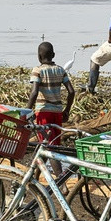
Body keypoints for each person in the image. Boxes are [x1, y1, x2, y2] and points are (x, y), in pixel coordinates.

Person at [28, 41, 75, 174]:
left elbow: (34, 93)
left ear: (39, 56)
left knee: (50, 148)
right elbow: (71, 91)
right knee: (47, 145)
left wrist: (26, 111)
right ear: (53, 55)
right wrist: (67, 111)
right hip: (57, 113)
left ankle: (60, 179)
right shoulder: (60, 70)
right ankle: (34, 178)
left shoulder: (37, 70)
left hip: (43, 112)